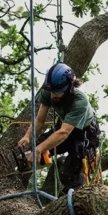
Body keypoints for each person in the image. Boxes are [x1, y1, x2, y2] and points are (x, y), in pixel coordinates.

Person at [18, 62, 100, 192]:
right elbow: (39, 120)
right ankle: (19, 180)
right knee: (34, 150)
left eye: (57, 92)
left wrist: (39, 149)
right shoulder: (48, 92)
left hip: (84, 135)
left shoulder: (80, 101)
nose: (52, 96)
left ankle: (78, 190)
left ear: (69, 88)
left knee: (67, 174)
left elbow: (63, 133)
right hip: (65, 128)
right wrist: (28, 136)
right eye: (51, 92)